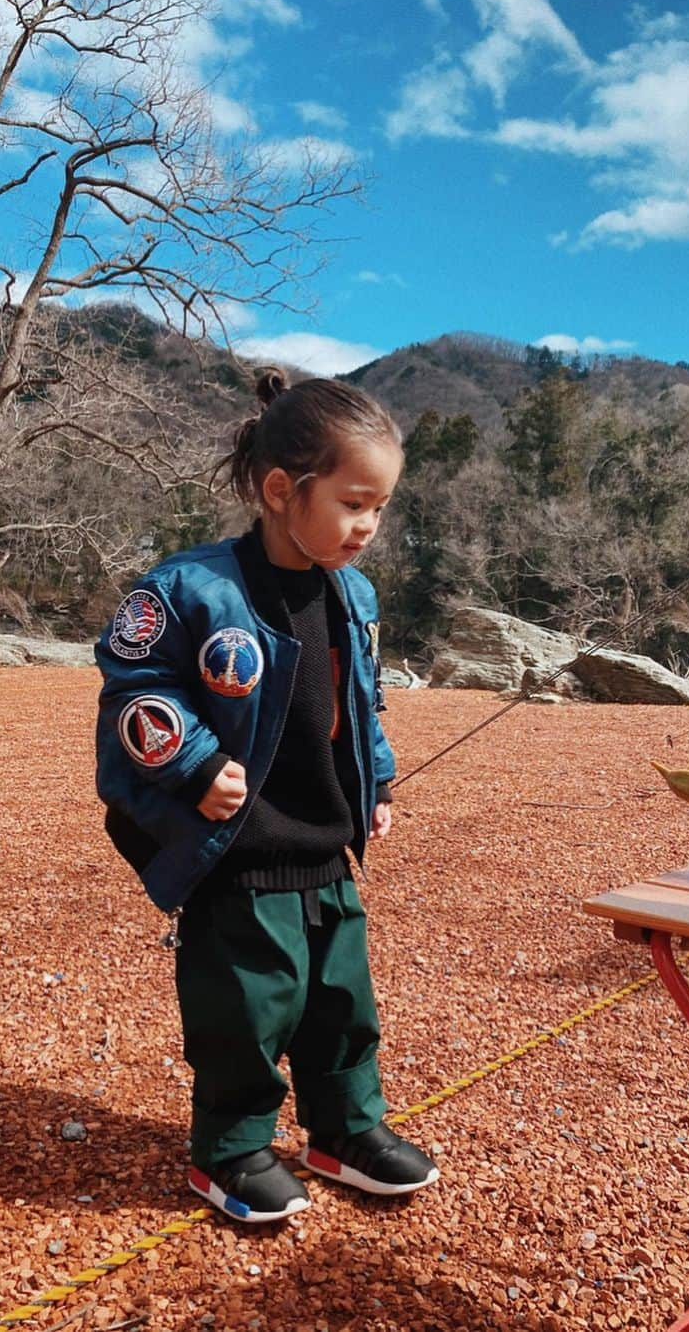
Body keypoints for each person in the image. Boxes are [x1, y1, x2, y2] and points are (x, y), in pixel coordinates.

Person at [94, 367, 439, 1223]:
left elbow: (363, 699)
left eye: (381, 508)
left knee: (340, 1004)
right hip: (237, 849)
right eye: (356, 502)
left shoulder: (351, 594)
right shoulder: (190, 589)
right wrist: (198, 763)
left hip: (326, 844)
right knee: (245, 1009)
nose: (369, 527)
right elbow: (135, 689)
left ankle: (344, 1131)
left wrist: (380, 778)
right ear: (283, 489)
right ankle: (232, 1151)